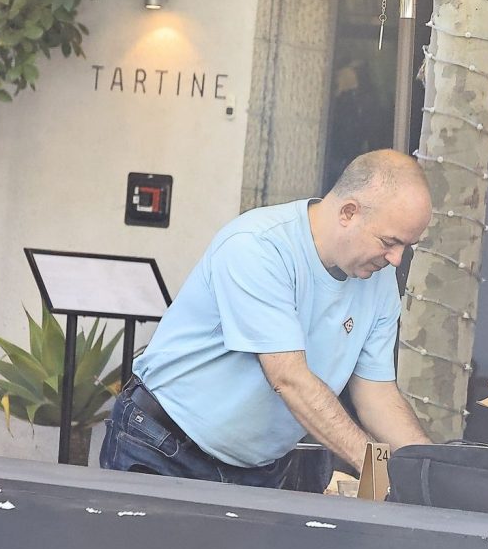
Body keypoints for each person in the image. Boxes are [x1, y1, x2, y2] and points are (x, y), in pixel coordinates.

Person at [100, 150, 434, 488]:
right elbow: (289, 378)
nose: (396, 259)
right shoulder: (259, 246)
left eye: (407, 246)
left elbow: (377, 396)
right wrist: (379, 474)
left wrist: (429, 475)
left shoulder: (379, 280)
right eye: (390, 242)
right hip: (163, 447)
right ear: (349, 212)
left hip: (259, 468)